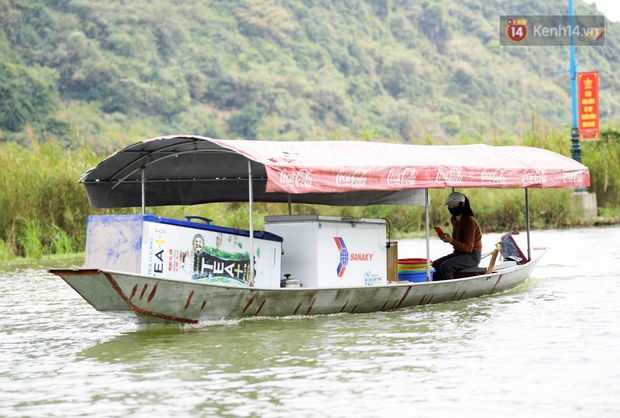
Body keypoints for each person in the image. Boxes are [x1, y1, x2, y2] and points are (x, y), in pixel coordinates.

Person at [432, 192, 483, 281]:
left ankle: (450, 289)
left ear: (462, 205)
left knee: (446, 266)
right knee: (434, 265)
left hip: (472, 256)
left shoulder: (469, 221)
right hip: (459, 253)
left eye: (454, 206)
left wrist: (451, 241)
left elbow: (468, 248)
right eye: (449, 206)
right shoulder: (454, 219)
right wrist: (447, 239)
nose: (451, 208)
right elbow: (458, 241)